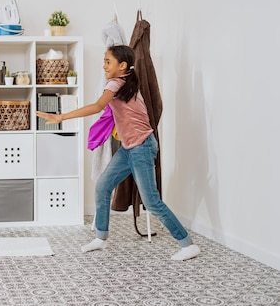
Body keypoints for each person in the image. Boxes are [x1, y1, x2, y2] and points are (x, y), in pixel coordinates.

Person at [36, 45, 200, 261]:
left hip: (141, 147)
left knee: (151, 202)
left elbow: (97, 107)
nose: (103, 65)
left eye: (107, 62)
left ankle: (187, 245)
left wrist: (60, 117)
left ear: (122, 66)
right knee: (103, 187)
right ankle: (101, 238)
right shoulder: (126, 82)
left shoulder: (117, 83)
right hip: (128, 148)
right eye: (104, 61)